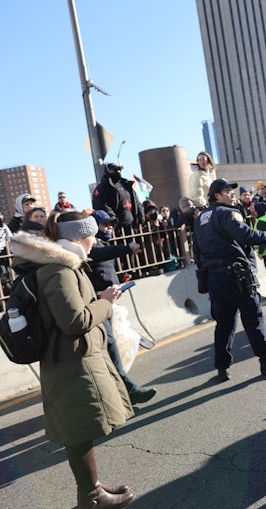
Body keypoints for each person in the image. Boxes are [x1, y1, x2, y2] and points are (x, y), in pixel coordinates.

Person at [9, 211, 135, 508]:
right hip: (71, 362)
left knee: (79, 429)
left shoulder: (60, 266)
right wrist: (105, 304)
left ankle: (93, 488)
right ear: (79, 237)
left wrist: (98, 300)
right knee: (77, 432)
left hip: (68, 359)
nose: (96, 242)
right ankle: (90, 497)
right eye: (93, 236)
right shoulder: (59, 270)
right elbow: (74, 321)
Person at [192, 178, 266, 382]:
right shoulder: (228, 213)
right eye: (227, 191)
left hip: (215, 279)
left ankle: (222, 367)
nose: (232, 194)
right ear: (217, 195)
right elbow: (246, 235)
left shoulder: (200, 219)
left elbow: (196, 251)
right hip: (237, 277)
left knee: (224, 324)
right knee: (253, 319)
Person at [88, 210, 156, 406]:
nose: (110, 227)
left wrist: (117, 285)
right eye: (104, 224)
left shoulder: (102, 244)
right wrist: (127, 248)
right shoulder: (92, 245)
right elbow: (98, 254)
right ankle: (128, 391)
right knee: (109, 347)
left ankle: (119, 392)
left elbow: (105, 269)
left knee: (112, 347)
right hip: (96, 306)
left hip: (108, 304)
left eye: (112, 224)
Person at [92, 163, 146, 236]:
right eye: (115, 170)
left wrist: (141, 218)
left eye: (119, 170)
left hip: (133, 228)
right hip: (117, 231)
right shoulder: (102, 188)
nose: (118, 172)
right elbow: (101, 206)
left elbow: (137, 203)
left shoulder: (126, 185)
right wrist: (113, 221)